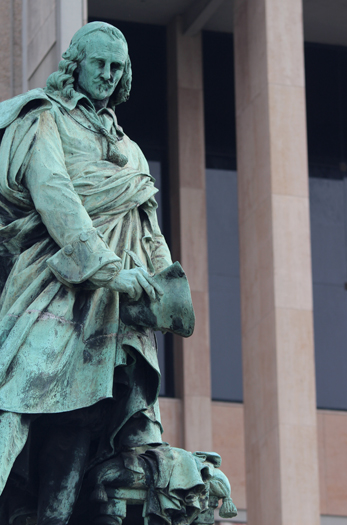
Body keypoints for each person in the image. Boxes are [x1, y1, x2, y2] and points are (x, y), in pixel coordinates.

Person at [0, 21, 172, 525]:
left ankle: (54, 515)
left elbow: (149, 232)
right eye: (99, 63)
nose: (107, 74)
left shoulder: (131, 150)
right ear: (75, 63)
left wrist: (167, 286)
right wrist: (108, 270)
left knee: (86, 411)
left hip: (109, 306)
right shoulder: (44, 119)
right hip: (49, 285)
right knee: (15, 397)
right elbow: (58, 201)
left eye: (116, 67)